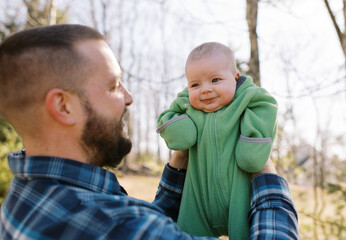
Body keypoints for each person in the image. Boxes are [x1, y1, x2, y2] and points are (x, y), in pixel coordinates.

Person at [0, 24, 299, 239]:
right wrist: (266, 175)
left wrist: (178, 164)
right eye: (114, 86)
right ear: (64, 106)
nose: (129, 98)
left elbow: (149, 223)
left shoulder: (24, 198)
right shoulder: (111, 225)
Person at [157, 42, 278, 239]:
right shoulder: (188, 104)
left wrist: (254, 145)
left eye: (215, 80)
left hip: (239, 200)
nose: (205, 89)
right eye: (195, 84)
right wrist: (181, 129)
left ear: (235, 77)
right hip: (197, 201)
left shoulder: (247, 97)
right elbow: (168, 118)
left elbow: (267, 105)